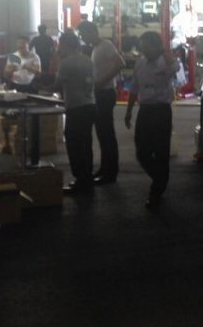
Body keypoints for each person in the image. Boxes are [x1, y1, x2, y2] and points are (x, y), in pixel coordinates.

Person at [125, 31, 179, 209]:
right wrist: (128, 111)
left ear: (157, 47)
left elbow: (176, 68)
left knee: (161, 152)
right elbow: (134, 89)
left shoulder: (164, 63)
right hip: (145, 111)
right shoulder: (139, 64)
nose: (143, 50)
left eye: (147, 46)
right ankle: (160, 179)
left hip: (161, 111)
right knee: (142, 153)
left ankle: (156, 191)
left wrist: (168, 56)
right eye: (142, 47)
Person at [77, 20, 125, 185]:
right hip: (99, 93)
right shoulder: (96, 48)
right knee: (102, 134)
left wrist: (103, 81)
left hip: (105, 93)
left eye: (83, 34)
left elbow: (120, 63)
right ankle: (105, 169)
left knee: (106, 134)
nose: (82, 38)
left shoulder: (106, 45)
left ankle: (110, 172)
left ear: (91, 32)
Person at [55, 31, 95, 194]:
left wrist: (40, 86)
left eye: (60, 45)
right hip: (89, 104)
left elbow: (57, 84)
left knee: (74, 144)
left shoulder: (66, 63)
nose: (59, 48)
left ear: (66, 45)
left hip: (75, 107)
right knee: (86, 143)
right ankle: (87, 179)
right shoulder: (87, 59)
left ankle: (80, 180)